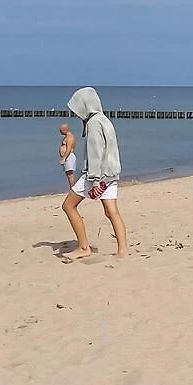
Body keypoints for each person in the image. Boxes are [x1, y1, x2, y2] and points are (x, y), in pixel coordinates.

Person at [61, 87, 128, 260]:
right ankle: (122, 251)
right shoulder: (105, 119)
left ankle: (84, 247)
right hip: (111, 173)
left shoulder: (94, 123)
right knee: (111, 212)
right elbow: (111, 149)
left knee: (68, 205)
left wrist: (95, 180)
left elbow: (95, 152)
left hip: (96, 175)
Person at [58, 123, 77, 189]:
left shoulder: (69, 136)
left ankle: (72, 189)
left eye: (61, 130)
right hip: (67, 157)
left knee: (70, 174)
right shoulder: (67, 136)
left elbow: (69, 148)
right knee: (68, 174)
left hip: (69, 157)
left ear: (65, 129)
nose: (60, 132)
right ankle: (72, 188)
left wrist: (64, 158)